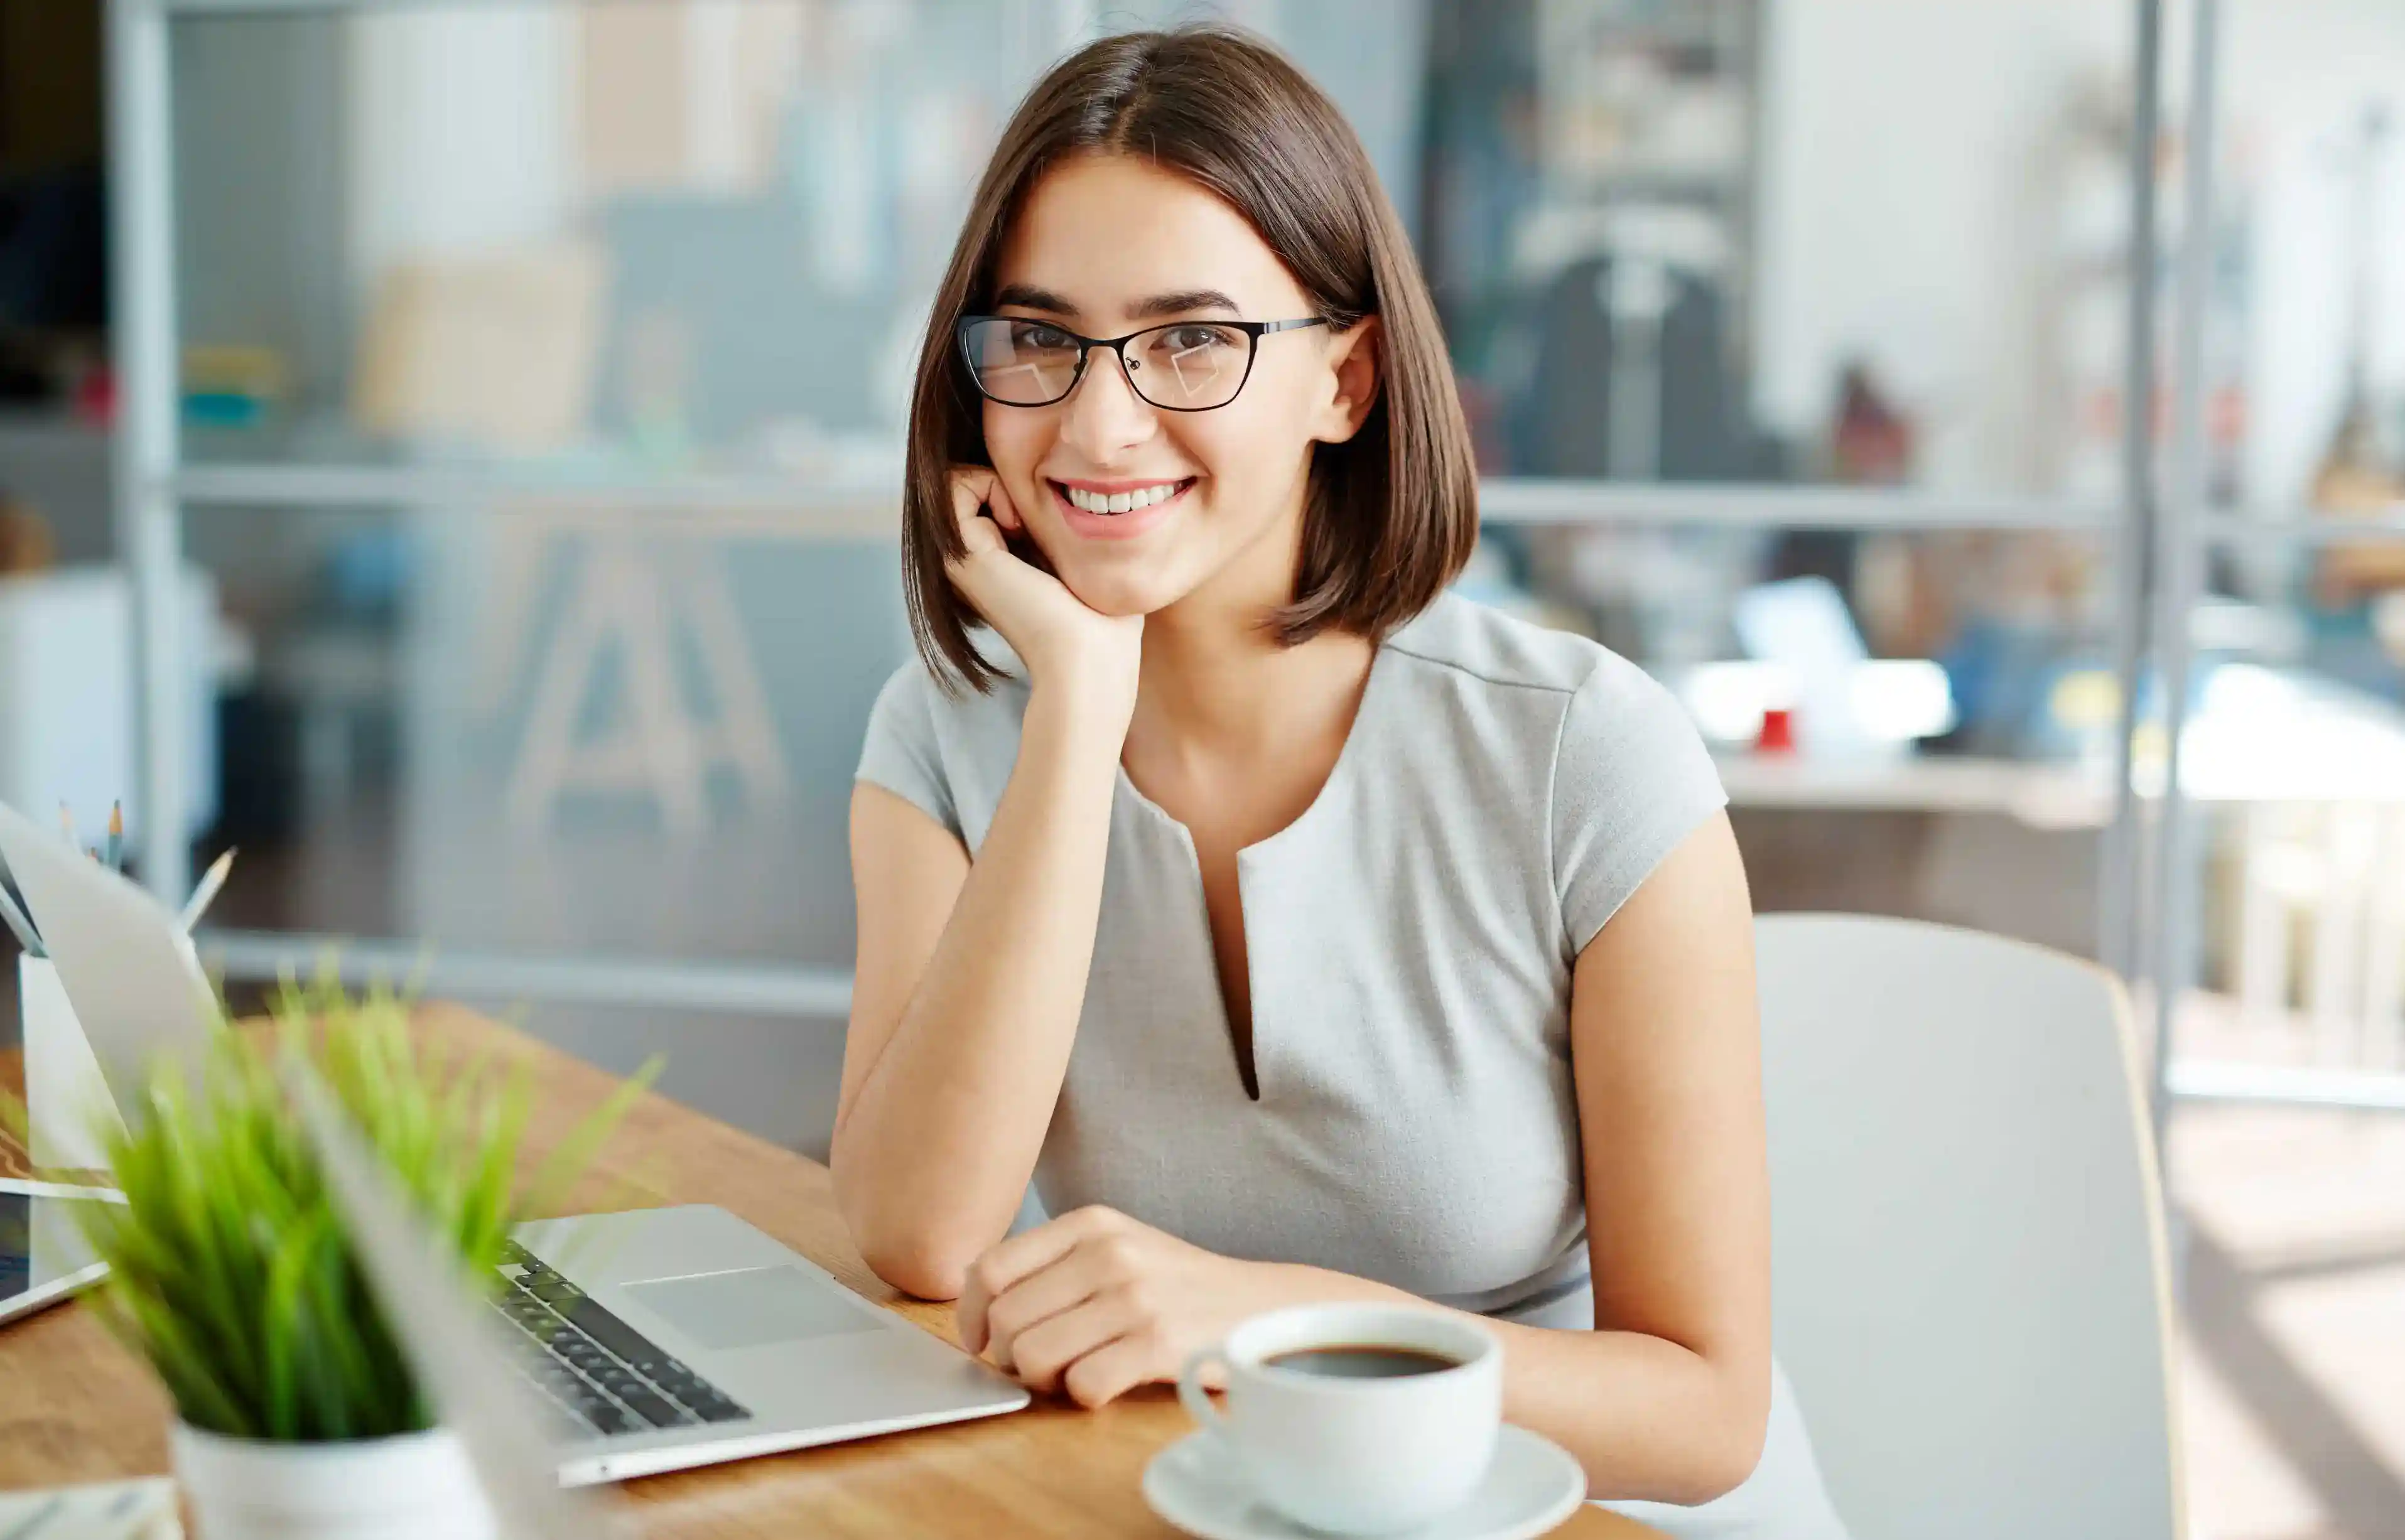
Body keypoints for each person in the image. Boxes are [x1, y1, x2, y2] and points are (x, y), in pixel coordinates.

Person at [836, 26, 1847, 1536]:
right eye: (1038, 338)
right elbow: (918, 1232)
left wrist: (1258, 1321)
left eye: (1192, 340)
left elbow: (1703, 1410)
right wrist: (1075, 711)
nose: (1099, 420)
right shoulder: (947, 735)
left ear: (1347, 382)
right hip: (1230, 1499)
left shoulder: (1583, 753)